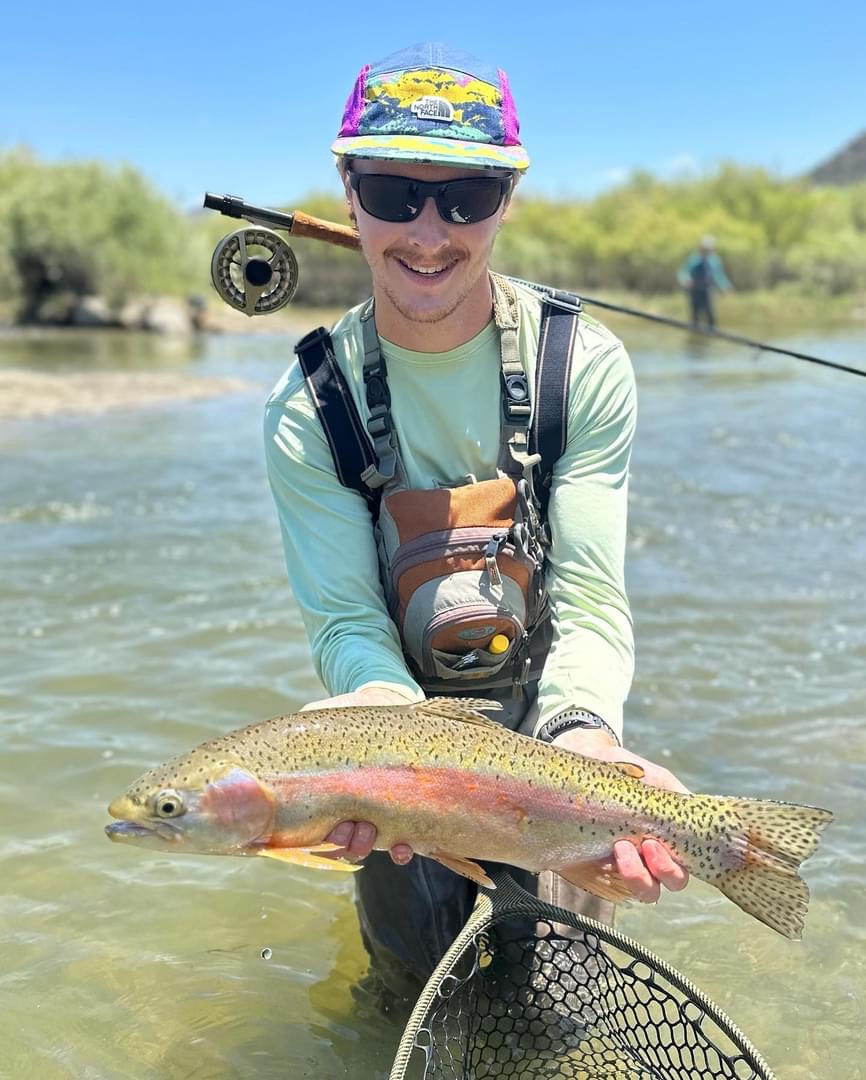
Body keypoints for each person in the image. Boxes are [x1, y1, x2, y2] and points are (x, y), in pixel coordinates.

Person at [263, 42, 689, 1007]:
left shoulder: (582, 366)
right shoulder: (308, 405)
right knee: (405, 1004)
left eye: (466, 198)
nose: (428, 232)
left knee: (566, 1009)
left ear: (507, 200)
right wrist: (380, 732)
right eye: (393, 193)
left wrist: (587, 737)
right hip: (399, 749)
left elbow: (589, 599)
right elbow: (347, 622)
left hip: (551, 741)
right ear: (349, 193)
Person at [677, 235, 732, 329]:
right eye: (704, 249)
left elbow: (719, 275)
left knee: (710, 315)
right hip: (695, 291)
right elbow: (683, 271)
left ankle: (711, 333)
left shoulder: (715, 260)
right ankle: (695, 334)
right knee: (695, 316)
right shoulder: (693, 259)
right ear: (700, 248)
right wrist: (685, 280)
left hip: (707, 291)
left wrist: (726, 286)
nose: (706, 251)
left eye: (708, 250)